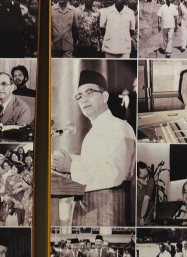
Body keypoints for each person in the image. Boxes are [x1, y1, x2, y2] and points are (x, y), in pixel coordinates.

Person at [51, 69, 135, 226]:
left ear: (105, 96)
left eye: (89, 92)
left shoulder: (119, 127)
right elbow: (97, 163)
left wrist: (71, 166)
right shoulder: (92, 132)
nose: (83, 99)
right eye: (79, 96)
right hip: (87, 209)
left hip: (107, 210)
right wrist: (67, 160)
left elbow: (115, 173)